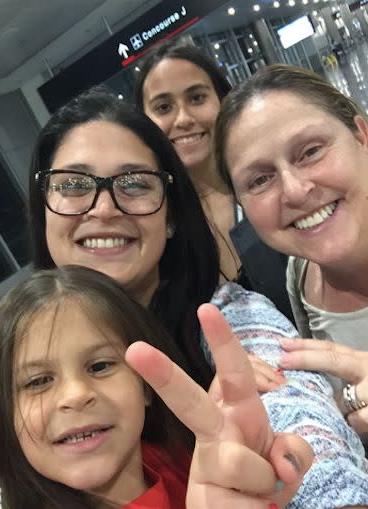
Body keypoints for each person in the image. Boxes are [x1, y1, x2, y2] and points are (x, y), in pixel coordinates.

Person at [27, 86, 368, 507]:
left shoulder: (229, 322)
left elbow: (302, 429)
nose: (103, 208)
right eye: (74, 184)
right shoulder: (11, 362)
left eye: (134, 184)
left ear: (170, 217)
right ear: (42, 207)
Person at [0, 265, 312, 509]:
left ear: (145, 386)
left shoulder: (181, 458)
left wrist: (262, 473)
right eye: (38, 382)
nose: (75, 395)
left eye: (100, 366)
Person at [215, 63, 368, 433]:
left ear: (362, 135)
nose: (296, 190)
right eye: (261, 179)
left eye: (311, 151)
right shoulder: (299, 278)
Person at [134, 40, 293, 323]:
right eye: (163, 107)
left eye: (196, 98)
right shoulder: (153, 229)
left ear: (223, 101)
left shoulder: (278, 185)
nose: (182, 119)